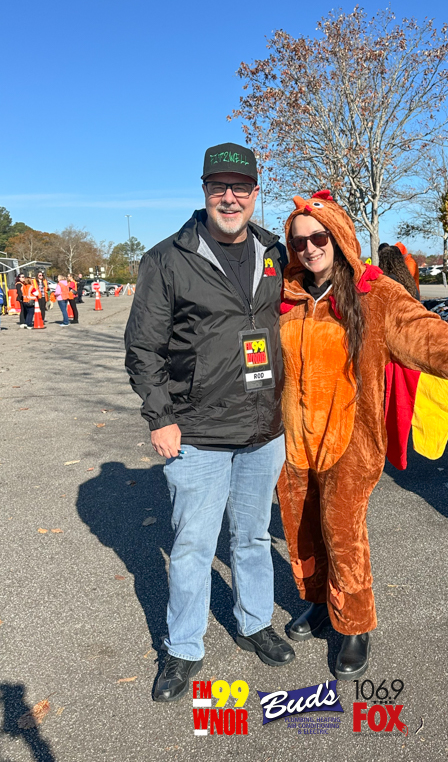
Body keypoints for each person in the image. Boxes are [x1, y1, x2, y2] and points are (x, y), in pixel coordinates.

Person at [276, 190, 448, 679]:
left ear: (339, 238)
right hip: (293, 442)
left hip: (348, 440)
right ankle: (317, 602)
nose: (309, 249)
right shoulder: (286, 298)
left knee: (342, 533)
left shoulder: (375, 295)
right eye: (299, 242)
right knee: (302, 529)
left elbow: (437, 342)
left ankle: (354, 624)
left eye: (319, 238)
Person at [124, 142, 293, 704]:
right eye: (219, 187)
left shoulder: (274, 251)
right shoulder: (167, 259)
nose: (229, 197)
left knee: (253, 535)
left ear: (255, 193)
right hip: (196, 430)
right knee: (194, 543)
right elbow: (143, 349)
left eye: (240, 188)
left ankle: (254, 622)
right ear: (203, 191)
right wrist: (160, 417)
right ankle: (183, 646)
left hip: (264, 427)